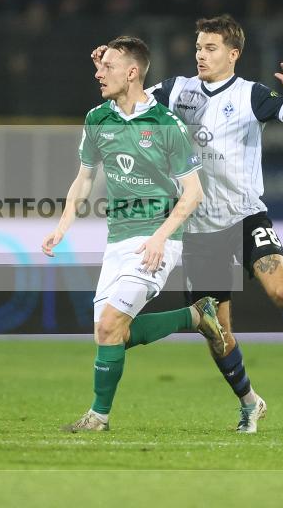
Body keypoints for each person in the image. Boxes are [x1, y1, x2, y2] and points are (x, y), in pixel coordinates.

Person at [92, 15, 283, 434]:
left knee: (282, 291)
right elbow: (132, 96)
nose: (201, 54)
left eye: (211, 48)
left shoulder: (252, 95)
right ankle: (250, 403)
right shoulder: (176, 90)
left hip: (244, 216)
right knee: (217, 332)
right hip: (198, 230)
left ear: (233, 54)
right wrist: (109, 67)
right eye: (199, 47)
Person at [42, 35, 226, 432]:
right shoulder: (97, 119)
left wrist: (160, 237)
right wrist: (61, 226)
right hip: (117, 241)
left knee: (111, 324)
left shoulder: (166, 125)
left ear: (131, 73)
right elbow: (84, 179)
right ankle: (195, 316)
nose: (98, 74)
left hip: (157, 241)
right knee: (109, 334)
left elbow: (194, 193)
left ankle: (98, 418)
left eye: (107, 67)